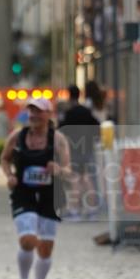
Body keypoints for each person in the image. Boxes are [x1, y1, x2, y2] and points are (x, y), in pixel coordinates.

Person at [0, 97, 71, 279]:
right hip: (23, 193)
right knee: (27, 240)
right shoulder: (17, 136)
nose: (34, 115)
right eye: (31, 111)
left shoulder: (57, 139)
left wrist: (58, 170)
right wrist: (9, 175)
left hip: (50, 196)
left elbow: (68, 169)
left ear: (48, 115)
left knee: (46, 249)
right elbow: (4, 158)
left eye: (39, 111)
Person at [59, 85, 100, 219]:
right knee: (87, 178)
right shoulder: (86, 111)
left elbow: (61, 131)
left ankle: (75, 210)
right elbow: (97, 126)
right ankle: (92, 209)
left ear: (69, 96)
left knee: (74, 179)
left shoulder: (69, 113)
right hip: (87, 148)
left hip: (73, 149)